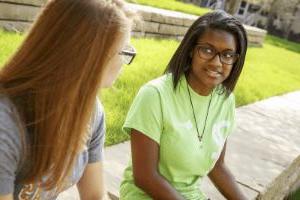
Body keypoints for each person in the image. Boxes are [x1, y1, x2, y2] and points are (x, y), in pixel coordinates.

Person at [0, 0, 136, 199]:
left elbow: (95, 195)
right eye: (124, 51)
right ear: (91, 56)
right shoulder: (7, 124)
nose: (124, 63)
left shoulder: (90, 112)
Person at [120, 10, 248, 200]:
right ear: (190, 50)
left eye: (227, 55)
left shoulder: (225, 100)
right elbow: (145, 177)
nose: (216, 63)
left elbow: (218, 167)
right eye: (207, 50)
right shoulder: (155, 95)